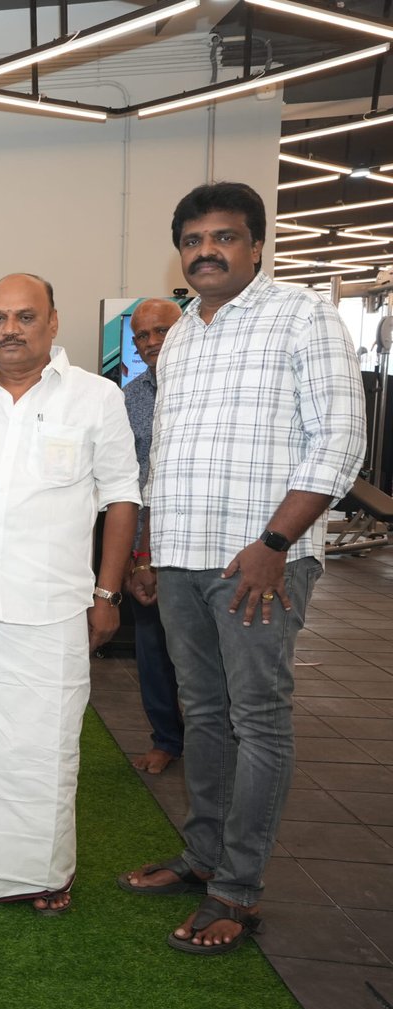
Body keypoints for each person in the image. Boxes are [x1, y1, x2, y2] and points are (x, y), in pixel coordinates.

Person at [120, 183, 365, 954]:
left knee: (257, 717)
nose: (206, 251)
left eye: (223, 237)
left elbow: (340, 440)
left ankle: (237, 888)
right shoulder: (182, 335)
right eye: (193, 240)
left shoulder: (302, 315)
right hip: (182, 556)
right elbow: (167, 454)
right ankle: (202, 855)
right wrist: (149, 548)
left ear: (256, 245)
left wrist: (274, 543)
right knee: (204, 712)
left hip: (258, 559)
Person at [0, 273, 140, 916]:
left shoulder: (96, 398)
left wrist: (107, 593)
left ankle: (44, 874)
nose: (10, 329)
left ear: (53, 322)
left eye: (25, 317)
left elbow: (122, 497)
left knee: (46, 751)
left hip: (54, 610)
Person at [121, 298, 183, 775]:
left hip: (202, 544)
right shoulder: (130, 397)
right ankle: (166, 740)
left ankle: (219, 747)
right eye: (142, 335)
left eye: (161, 331)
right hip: (146, 543)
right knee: (152, 651)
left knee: (205, 659)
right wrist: (134, 555)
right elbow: (126, 481)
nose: (151, 342)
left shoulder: (210, 387)